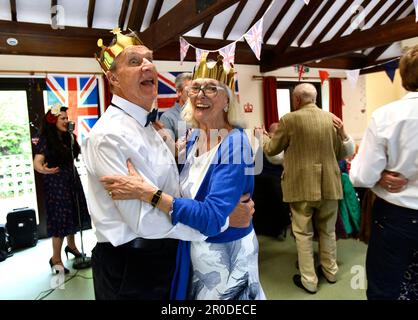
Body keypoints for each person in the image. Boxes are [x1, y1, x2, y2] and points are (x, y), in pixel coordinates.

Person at [83, 30, 254, 300]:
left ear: (227, 99)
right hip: (133, 265)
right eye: (135, 62)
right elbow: (144, 222)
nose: (149, 65)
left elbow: (176, 183)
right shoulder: (109, 136)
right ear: (113, 78)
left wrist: (217, 211)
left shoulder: (152, 126)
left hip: (185, 254)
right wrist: (222, 220)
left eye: (149, 59)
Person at [261, 83, 355, 294]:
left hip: (300, 186)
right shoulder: (332, 119)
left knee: (303, 234)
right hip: (330, 184)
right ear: (314, 98)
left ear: (296, 100)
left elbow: (271, 150)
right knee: (328, 231)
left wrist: (263, 136)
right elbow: (343, 152)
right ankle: (330, 271)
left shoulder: (289, 120)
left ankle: (309, 280)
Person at [349, 45, 418, 300]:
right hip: (396, 217)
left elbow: (361, 177)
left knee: (385, 290)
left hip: (396, 218)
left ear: (403, 76)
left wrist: (378, 176)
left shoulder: (387, 115)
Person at [33, 104, 91, 274]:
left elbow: (76, 155)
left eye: (67, 118)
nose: (66, 121)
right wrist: (43, 169)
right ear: (53, 120)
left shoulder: (68, 137)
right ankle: (55, 258)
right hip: (56, 184)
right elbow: (37, 161)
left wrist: (72, 137)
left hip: (71, 180)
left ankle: (71, 246)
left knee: (74, 213)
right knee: (60, 219)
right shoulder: (45, 139)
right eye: (62, 118)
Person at [159, 72, 192, 141]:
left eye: (196, 90)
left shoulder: (201, 113)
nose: (193, 94)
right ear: (179, 92)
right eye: (189, 90)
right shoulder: (167, 117)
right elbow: (168, 148)